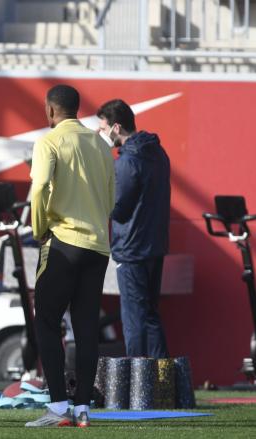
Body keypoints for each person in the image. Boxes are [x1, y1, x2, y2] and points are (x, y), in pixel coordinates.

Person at [27, 85, 114, 428]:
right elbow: (111, 201)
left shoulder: (48, 141)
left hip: (63, 242)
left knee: (47, 322)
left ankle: (60, 407)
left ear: (50, 110)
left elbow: (39, 188)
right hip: (98, 246)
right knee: (86, 327)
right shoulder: (101, 144)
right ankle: (82, 409)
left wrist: (39, 229)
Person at [96, 99, 170, 359]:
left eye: (103, 128)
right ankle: (160, 384)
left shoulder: (127, 162)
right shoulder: (158, 153)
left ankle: (135, 384)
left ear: (116, 127)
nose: (100, 133)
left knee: (134, 319)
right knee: (150, 315)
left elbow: (118, 208)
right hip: (155, 246)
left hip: (131, 249)